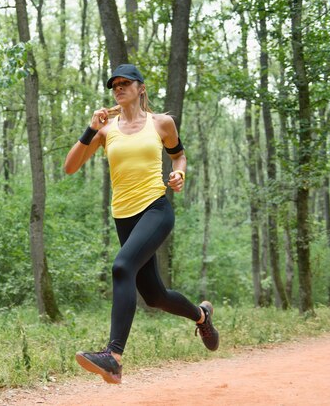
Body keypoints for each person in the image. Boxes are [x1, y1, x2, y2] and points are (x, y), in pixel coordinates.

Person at [64, 64, 219, 385]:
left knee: (122, 267)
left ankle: (113, 357)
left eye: (125, 83)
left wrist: (180, 173)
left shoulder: (162, 123)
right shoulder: (106, 130)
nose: (118, 88)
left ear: (140, 87)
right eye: (114, 85)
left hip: (156, 210)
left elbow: (179, 155)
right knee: (155, 296)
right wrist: (90, 129)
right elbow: (70, 167)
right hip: (124, 217)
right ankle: (202, 316)